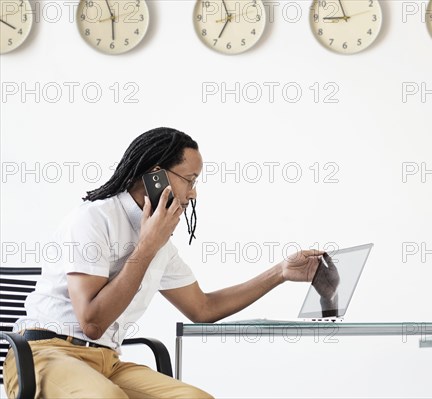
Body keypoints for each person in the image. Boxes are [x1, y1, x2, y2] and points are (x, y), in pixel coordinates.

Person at [4, 127, 326, 398]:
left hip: (106, 362)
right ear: (155, 175)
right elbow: (92, 322)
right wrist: (146, 246)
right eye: (189, 179)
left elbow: (203, 308)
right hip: (43, 354)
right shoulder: (95, 219)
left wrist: (280, 273)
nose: (194, 193)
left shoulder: (159, 242)